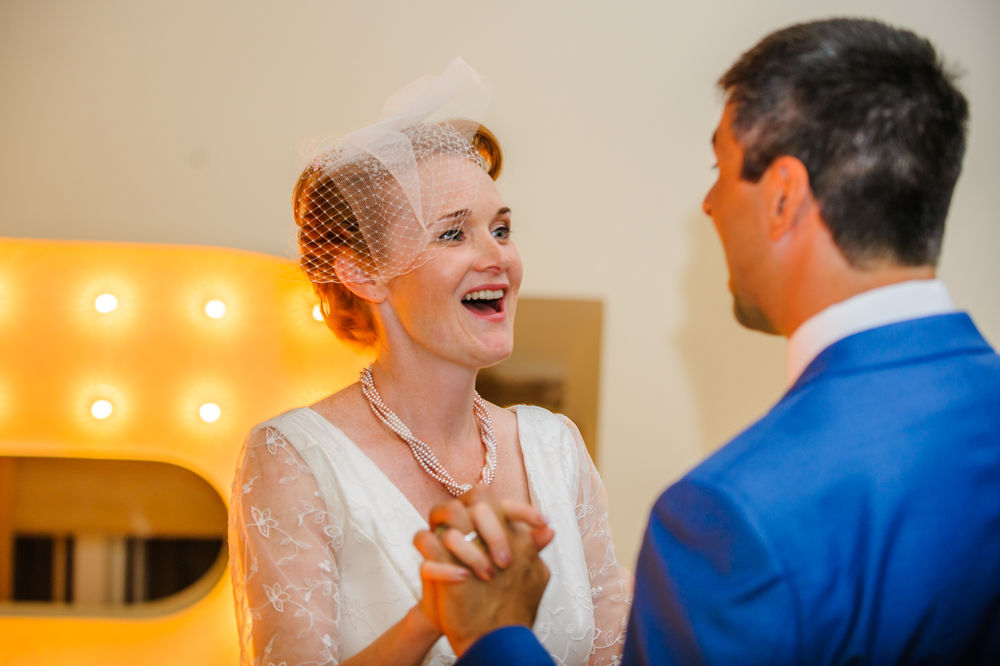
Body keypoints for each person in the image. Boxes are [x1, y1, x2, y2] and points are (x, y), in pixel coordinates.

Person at [419, 18, 1000, 665]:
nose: (708, 203)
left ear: (783, 197)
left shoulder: (735, 516)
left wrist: (497, 635)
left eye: (719, 168)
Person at [227, 59, 631, 666]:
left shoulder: (555, 447)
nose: (497, 257)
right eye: (452, 234)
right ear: (362, 273)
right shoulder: (293, 459)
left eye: (502, 228)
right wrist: (430, 623)